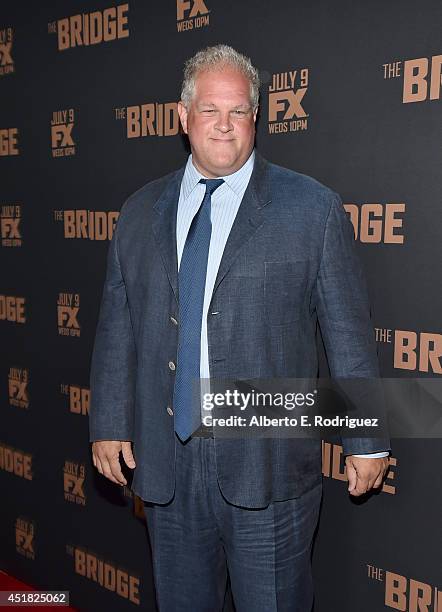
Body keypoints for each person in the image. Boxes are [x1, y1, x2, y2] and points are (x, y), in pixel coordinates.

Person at [89, 44, 390, 611]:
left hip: (268, 465)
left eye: (238, 111)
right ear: (183, 117)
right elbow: (117, 327)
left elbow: (348, 333)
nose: (224, 126)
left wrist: (367, 439)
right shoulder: (138, 211)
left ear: (256, 118)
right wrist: (108, 421)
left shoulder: (312, 209)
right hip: (167, 462)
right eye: (210, 110)